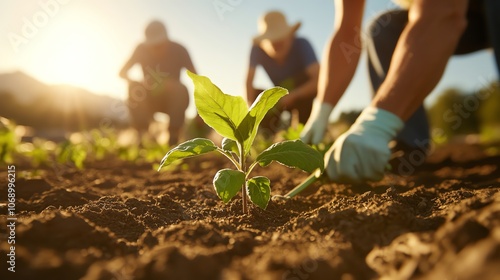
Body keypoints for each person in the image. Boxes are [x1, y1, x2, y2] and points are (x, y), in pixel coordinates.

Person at [301, 0, 499, 183]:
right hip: (471, 17)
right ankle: (409, 145)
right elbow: (346, 32)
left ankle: (386, 126)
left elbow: (444, 11)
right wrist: (322, 109)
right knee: (384, 29)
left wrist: (378, 123)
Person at [119, 20, 197, 146]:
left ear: (166, 39)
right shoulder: (140, 49)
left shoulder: (180, 50)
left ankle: (173, 136)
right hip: (148, 100)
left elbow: (198, 79)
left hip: (173, 102)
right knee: (134, 87)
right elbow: (122, 72)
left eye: (159, 45)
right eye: (152, 46)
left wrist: (200, 112)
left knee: (180, 88)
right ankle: (142, 136)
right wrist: (135, 83)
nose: (156, 49)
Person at [246, 10, 320, 135]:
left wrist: (293, 95)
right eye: (273, 41)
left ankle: (304, 133)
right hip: (279, 96)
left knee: (303, 118)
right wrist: (249, 112)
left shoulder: (302, 44)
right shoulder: (257, 50)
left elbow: (319, 80)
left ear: (290, 36)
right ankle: (265, 136)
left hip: (302, 95)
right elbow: (248, 83)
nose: (277, 45)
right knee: (256, 97)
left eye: (280, 40)